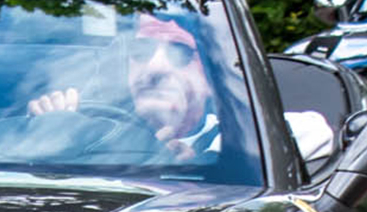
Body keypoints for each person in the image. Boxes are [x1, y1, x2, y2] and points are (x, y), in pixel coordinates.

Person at [26, 13, 221, 158]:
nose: (155, 66)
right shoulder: (91, 129)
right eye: (141, 50)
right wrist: (47, 131)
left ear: (210, 78)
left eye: (182, 52)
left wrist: (189, 174)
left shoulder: (232, 149)